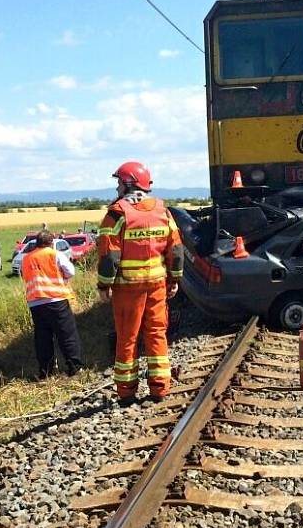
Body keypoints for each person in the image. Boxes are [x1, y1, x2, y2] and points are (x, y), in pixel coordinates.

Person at [97, 161, 184, 405]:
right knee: (157, 333)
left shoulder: (117, 214)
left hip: (127, 287)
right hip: (157, 284)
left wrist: (104, 285)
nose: (116, 188)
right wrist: (174, 279)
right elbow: (176, 250)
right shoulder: (162, 212)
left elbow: (109, 255)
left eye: (118, 183)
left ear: (128, 183)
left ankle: (126, 393)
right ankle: (160, 389)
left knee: (128, 338)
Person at [21, 230, 84, 379]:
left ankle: (46, 371)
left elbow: (25, 276)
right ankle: (74, 368)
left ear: (37, 242)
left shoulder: (27, 258)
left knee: (42, 337)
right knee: (66, 334)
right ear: (51, 242)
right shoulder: (55, 254)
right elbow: (71, 272)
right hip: (56, 300)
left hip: (35, 302)